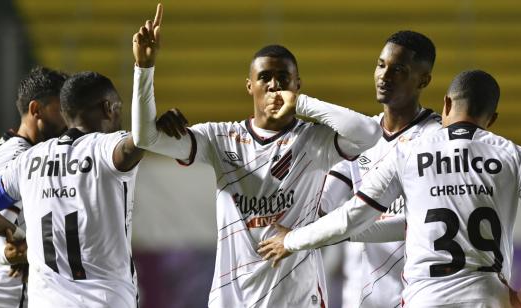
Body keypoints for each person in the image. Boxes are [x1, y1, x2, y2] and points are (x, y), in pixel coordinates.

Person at [131, 4, 382, 307]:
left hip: (298, 299)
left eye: (283, 78)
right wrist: (144, 69)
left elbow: (369, 133)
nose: (274, 84)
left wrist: (301, 105)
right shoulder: (218, 138)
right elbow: (145, 138)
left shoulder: (313, 141)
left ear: (297, 85)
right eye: (264, 77)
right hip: (232, 299)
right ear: (250, 86)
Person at [258, 70, 521, 307]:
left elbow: (353, 216)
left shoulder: (408, 153)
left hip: (425, 300)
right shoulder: (519, 157)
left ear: (446, 104)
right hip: (490, 300)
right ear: (492, 120)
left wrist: (292, 240)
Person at [0, 71, 149, 308]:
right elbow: (141, 139)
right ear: (108, 108)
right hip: (103, 299)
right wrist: (145, 69)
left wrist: (17, 238)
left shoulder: (30, 160)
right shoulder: (104, 149)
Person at [317, 30, 441, 308]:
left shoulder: (437, 140)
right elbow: (323, 205)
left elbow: (426, 223)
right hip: (360, 299)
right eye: (381, 65)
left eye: (398, 69)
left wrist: (345, 228)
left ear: (424, 80)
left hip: (419, 296)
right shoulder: (359, 137)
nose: (384, 76)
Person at [0, 66, 67, 308]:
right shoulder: (18, 157)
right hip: (7, 295)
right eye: (61, 111)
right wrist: (7, 254)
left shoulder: (10, 148)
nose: (68, 121)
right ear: (35, 109)